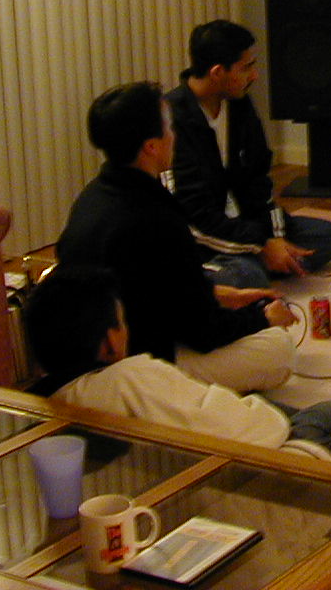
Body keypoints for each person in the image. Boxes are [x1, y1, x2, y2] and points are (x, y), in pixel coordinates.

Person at [24, 265, 331, 474]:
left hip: (237, 449)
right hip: (293, 462)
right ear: (109, 343)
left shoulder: (39, 404)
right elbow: (262, 429)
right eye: (123, 321)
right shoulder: (131, 378)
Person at [56, 81, 297, 394]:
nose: (174, 135)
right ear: (151, 146)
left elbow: (154, 288)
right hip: (137, 357)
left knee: (240, 284)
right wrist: (262, 318)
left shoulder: (91, 196)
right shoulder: (156, 217)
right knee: (277, 349)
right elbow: (202, 332)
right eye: (169, 128)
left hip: (98, 342)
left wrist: (220, 295)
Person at [165, 20, 331, 289]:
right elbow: (192, 217)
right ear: (217, 72)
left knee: (328, 236)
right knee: (247, 275)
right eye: (246, 67)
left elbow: (259, 180)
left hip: (244, 225)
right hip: (202, 238)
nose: (255, 75)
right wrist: (260, 245)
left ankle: (263, 265)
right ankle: (233, 276)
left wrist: (275, 238)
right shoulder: (172, 120)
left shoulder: (240, 104)